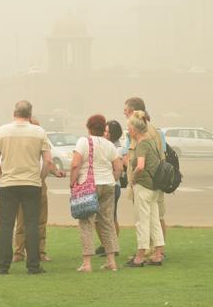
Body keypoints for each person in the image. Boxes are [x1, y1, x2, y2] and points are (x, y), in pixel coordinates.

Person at [0, 100, 53, 275]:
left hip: (9, 183)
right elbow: (48, 160)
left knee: (6, 225)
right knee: (31, 224)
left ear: (14, 113)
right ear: (30, 114)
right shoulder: (39, 132)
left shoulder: (3, 131)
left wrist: (0, 176)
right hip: (31, 183)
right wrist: (40, 178)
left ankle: (3, 265)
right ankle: (33, 265)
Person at [70, 115, 123, 272]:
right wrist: (112, 179)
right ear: (103, 129)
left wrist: (72, 183)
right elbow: (119, 167)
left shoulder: (83, 142)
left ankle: (87, 263)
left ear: (88, 127)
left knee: (86, 222)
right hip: (108, 184)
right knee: (107, 222)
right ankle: (111, 261)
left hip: (89, 185)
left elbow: (75, 164)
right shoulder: (109, 145)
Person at [12, 116, 65, 263]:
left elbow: (48, 161)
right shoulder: (21, 143)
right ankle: (19, 252)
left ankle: (40, 252)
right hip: (26, 182)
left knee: (40, 221)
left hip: (38, 184)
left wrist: (55, 171)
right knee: (22, 221)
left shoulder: (43, 140)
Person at [123, 97, 168, 258]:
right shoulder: (153, 133)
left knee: (144, 220)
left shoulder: (143, 138)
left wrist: (133, 179)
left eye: (127, 112)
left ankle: (141, 254)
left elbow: (141, 164)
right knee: (155, 219)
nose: (128, 129)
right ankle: (158, 253)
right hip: (155, 184)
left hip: (145, 184)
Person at [94, 119, 124, 256]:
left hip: (112, 185)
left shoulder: (117, 147)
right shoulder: (106, 145)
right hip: (106, 183)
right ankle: (106, 244)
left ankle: (112, 246)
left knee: (110, 218)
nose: (104, 133)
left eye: (107, 131)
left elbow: (117, 167)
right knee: (100, 219)